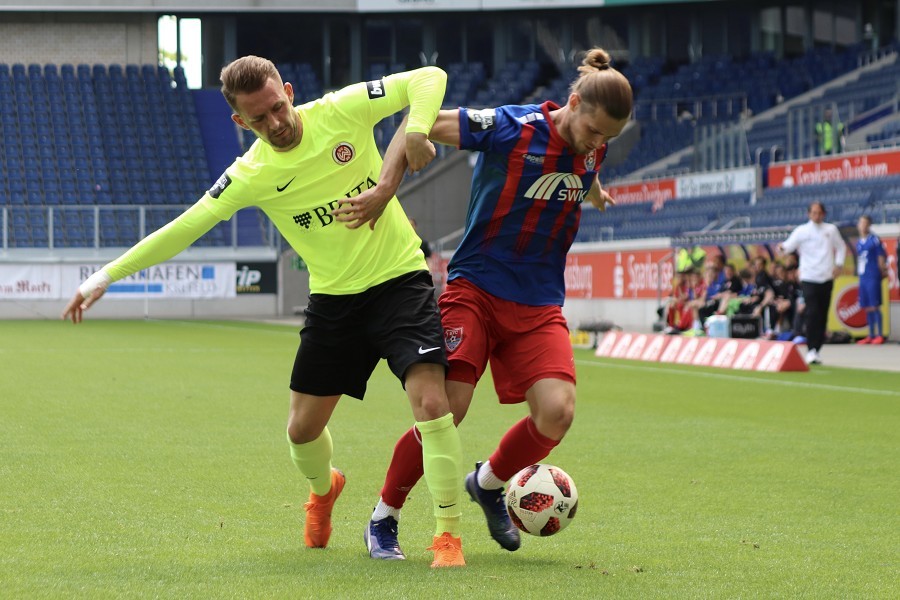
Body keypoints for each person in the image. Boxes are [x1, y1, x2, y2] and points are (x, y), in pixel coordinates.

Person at [61, 56, 467, 568]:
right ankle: (325, 490)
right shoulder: (249, 174)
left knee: (432, 405)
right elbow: (184, 228)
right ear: (240, 122)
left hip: (399, 281)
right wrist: (104, 276)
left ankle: (446, 537)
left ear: (289, 91)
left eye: (278, 107)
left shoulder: (341, 110)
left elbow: (427, 78)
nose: (275, 123)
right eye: (259, 119)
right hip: (334, 301)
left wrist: (417, 131)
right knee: (300, 431)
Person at [334, 47, 631, 558]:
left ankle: (489, 483)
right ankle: (384, 517)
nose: (598, 142)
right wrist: (386, 187)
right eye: (594, 130)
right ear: (573, 102)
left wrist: (594, 190)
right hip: (475, 289)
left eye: (607, 139)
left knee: (557, 413)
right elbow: (415, 122)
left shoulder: (592, 146)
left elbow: (584, 164)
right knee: (447, 410)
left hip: (538, 301)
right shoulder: (508, 128)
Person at [777, 201, 846, 364]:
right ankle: (810, 348)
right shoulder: (802, 231)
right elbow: (788, 245)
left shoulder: (831, 230)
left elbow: (841, 247)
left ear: (823, 214)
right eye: (813, 212)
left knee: (822, 314)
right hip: (809, 277)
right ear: (809, 214)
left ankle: (817, 348)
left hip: (826, 276)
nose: (816, 215)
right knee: (812, 312)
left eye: (819, 212)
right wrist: (781, 248)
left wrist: (839, 264)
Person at [855, 215, 888, 344]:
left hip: (872, 276)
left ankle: (879, 334)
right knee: (867, 306)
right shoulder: (858, 242)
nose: (862, 225)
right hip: (863, 277)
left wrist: (882, 271)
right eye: (861, 223)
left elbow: (881, 257)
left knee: (874, 305)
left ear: (869, 225)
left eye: (865, 223)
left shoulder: (874, 240)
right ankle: (871, 334)